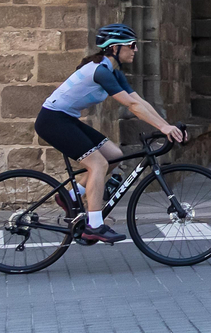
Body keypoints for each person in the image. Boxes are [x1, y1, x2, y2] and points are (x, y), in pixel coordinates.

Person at [35, 24, 184, 246]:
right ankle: (94, 226)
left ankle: (71, 196)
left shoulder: (113, 70)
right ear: (114, 48)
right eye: (132, 45)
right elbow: (132, 106)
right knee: (98, 165)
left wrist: (166, 125)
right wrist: (163, 129)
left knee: (113, 155)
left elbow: (139, 101)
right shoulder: (101, 71)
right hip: (53, 120)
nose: (135, 50)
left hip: (65, 118)